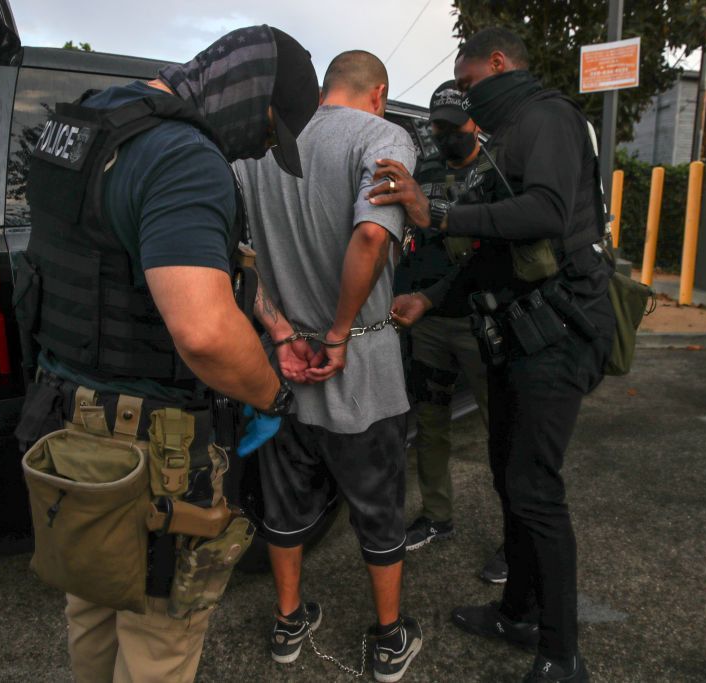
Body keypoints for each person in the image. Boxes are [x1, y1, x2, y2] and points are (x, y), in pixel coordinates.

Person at [14, 26, 319, 682]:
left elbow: (154, 255)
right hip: (154, 447)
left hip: (68, 424)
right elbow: (205, 332)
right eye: (269, 132)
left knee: (93, 601)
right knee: (159, 641)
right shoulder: (183, 156)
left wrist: (273, 321)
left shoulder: (92, 118)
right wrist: (272, 394)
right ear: (249, 95)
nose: (263, 150)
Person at [379, 28, 615, 683]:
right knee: (511, 476)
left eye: (473, 81)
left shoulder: (548, 119)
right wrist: (430, 299)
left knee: (537, 490)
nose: (471, 99)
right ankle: (517, 612)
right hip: (514, 333)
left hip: (557, 333)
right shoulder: (508, 138)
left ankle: (562, 654)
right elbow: (487, 250)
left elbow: (543, 211)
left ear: (500, 63)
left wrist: (440, 215)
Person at [234, 50, 423, 683]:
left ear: (324, 91)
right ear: (380, 93)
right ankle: (390, 637)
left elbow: (238, 256)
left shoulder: (257, 152)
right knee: (378, 506)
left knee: (285, 505)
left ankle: (289, 620)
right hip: (360, 362)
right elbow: (371, 236)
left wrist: (279, 328)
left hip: (282, 365)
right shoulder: (384, 136)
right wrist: (339, 334)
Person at [392, 81, 497, 567]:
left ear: (473, 123)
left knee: (506, 432)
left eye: (453, 127)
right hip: (429, 324)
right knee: (431, 423)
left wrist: (428, 299)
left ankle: (517, 536)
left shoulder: (494, 171)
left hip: (480, 321)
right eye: (438, 127)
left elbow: (486, 251)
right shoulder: (427, 168)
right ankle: (437, 515)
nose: (445, 135)